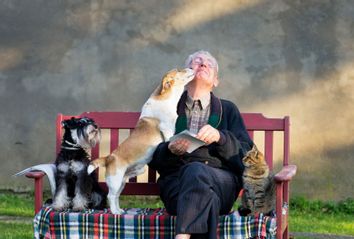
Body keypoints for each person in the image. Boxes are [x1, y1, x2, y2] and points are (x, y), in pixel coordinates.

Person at [148, 50, 253, 239]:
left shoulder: (228, 110)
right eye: (197, 62)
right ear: (185, 74)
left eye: (209, 64)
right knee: (207, 198)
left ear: (216, 81)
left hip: (222, 182)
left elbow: (246, 157)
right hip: (177, 185)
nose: (203, 64)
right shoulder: (167, 109)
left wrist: (221, 138)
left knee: (197, 171)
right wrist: (169, 150)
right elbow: (152, 158)